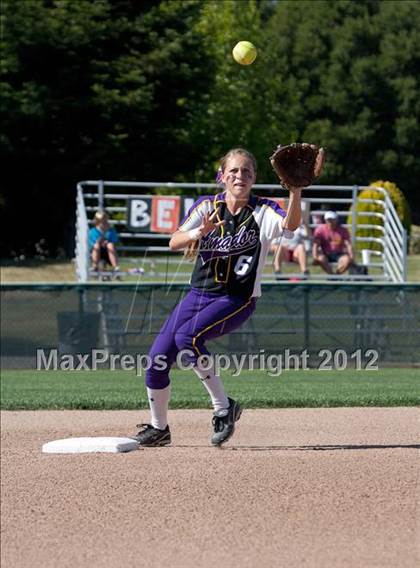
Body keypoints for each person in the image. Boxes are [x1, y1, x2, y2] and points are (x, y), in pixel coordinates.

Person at [133, 148, 304, 448]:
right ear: (222, 176)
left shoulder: (263, 210)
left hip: (237, 299)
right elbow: (174, 241)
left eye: (247, 171)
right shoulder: (206, 206)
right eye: (234, 171)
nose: (240, 176)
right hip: (198, 295)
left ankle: (224, 408)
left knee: (188, 337)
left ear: (254, 178)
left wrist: (295, 192)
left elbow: (290, 225)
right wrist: (200, 231)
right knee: (156, 360)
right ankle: (159, 429)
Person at [88, 211, 120, 278]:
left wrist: (107, 242)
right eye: (101, 221)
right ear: (97, 222)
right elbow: (91, 245)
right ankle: (95, 266)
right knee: (96, 245)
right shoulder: (92, 231)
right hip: (96, 253)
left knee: (110, 245)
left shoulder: (111, 230)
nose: (103, 222)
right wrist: (99, 242)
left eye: (105, 220)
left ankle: (116, 268)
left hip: (109, 253)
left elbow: (114, 242)